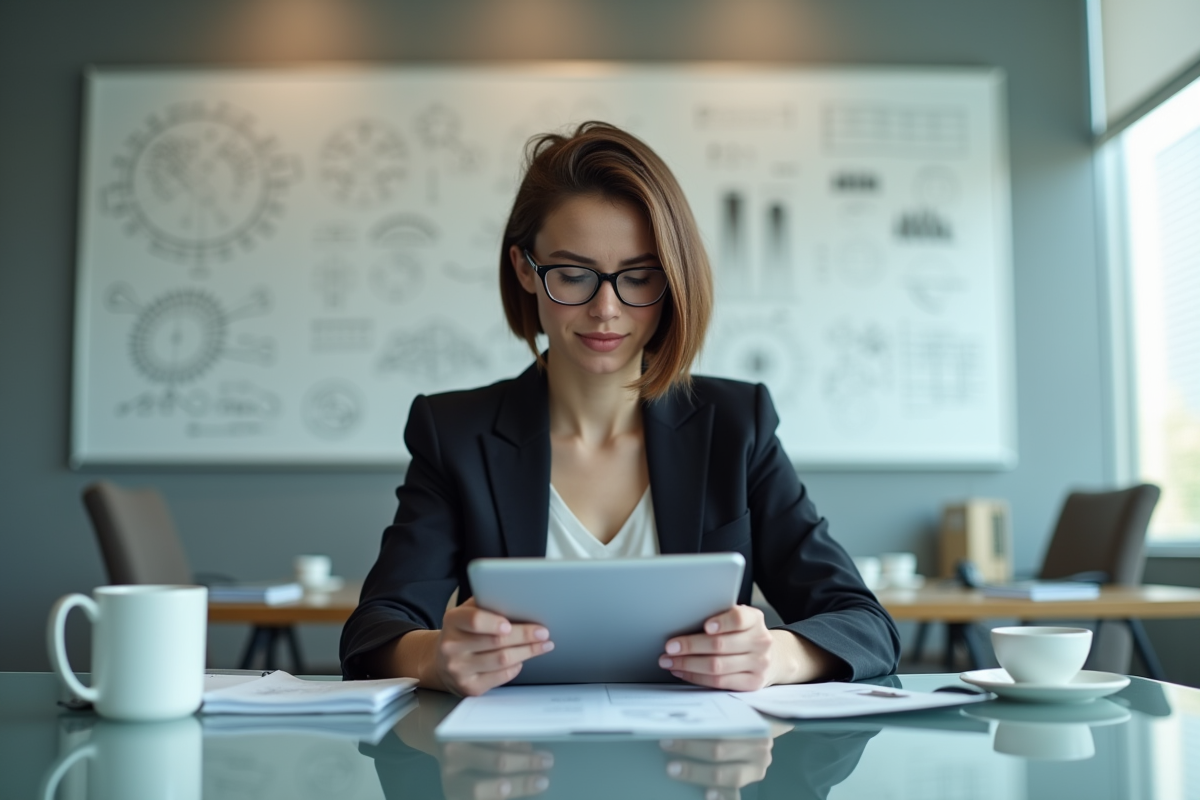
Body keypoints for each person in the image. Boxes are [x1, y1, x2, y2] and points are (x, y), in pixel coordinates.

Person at [340, 122, 900, 695]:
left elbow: (865, 625)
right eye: (572, 275)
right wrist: (434, 656)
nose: (606, 308)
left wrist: (778, 656)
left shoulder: (736, 425)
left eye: (639, 277)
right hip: (512, 748)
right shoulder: (455, 433)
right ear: (525, 270)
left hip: (698, 747)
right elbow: (374, 630)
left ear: (673, 280)